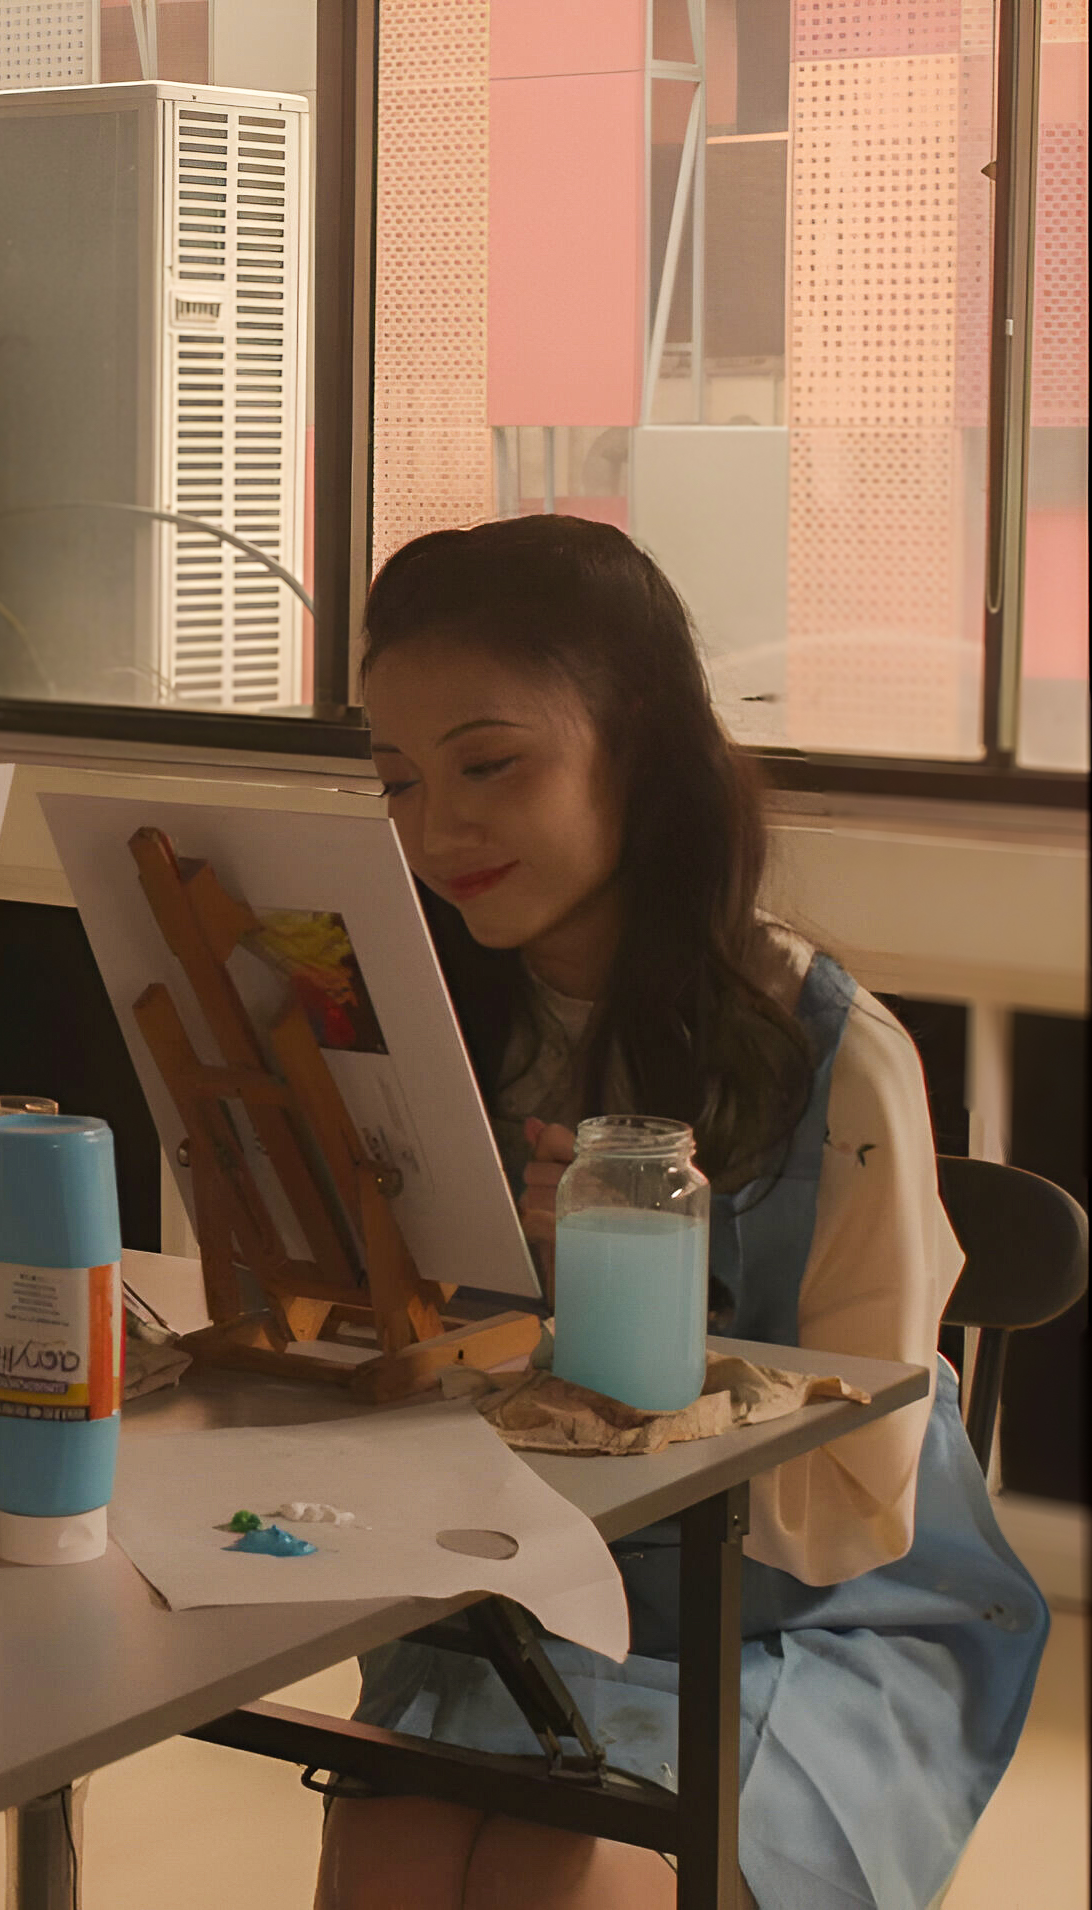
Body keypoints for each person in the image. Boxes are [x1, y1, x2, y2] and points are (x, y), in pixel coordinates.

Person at [316, 515, 1048, 1910]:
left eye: (490, 764)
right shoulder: (428, 1023)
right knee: (395, 1863)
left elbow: (849, 1504)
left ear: (641, 748)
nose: (436, 828)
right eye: (398, 781)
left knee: (558, 1877)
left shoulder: (827, 1052)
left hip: (803, 1616)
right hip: (524, 1596)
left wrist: (620, 1304)